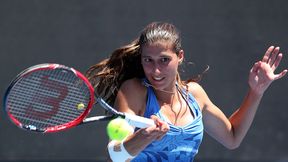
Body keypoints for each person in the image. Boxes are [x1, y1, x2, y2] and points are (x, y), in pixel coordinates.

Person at [86, 22, 287, 162]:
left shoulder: (195, 95)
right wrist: (144, 137)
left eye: (164, 60)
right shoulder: (134, 91)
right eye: (148, 60)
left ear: (180, 56)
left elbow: (232, 137)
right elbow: (115, 156)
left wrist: (256, 92)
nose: (155, 70)